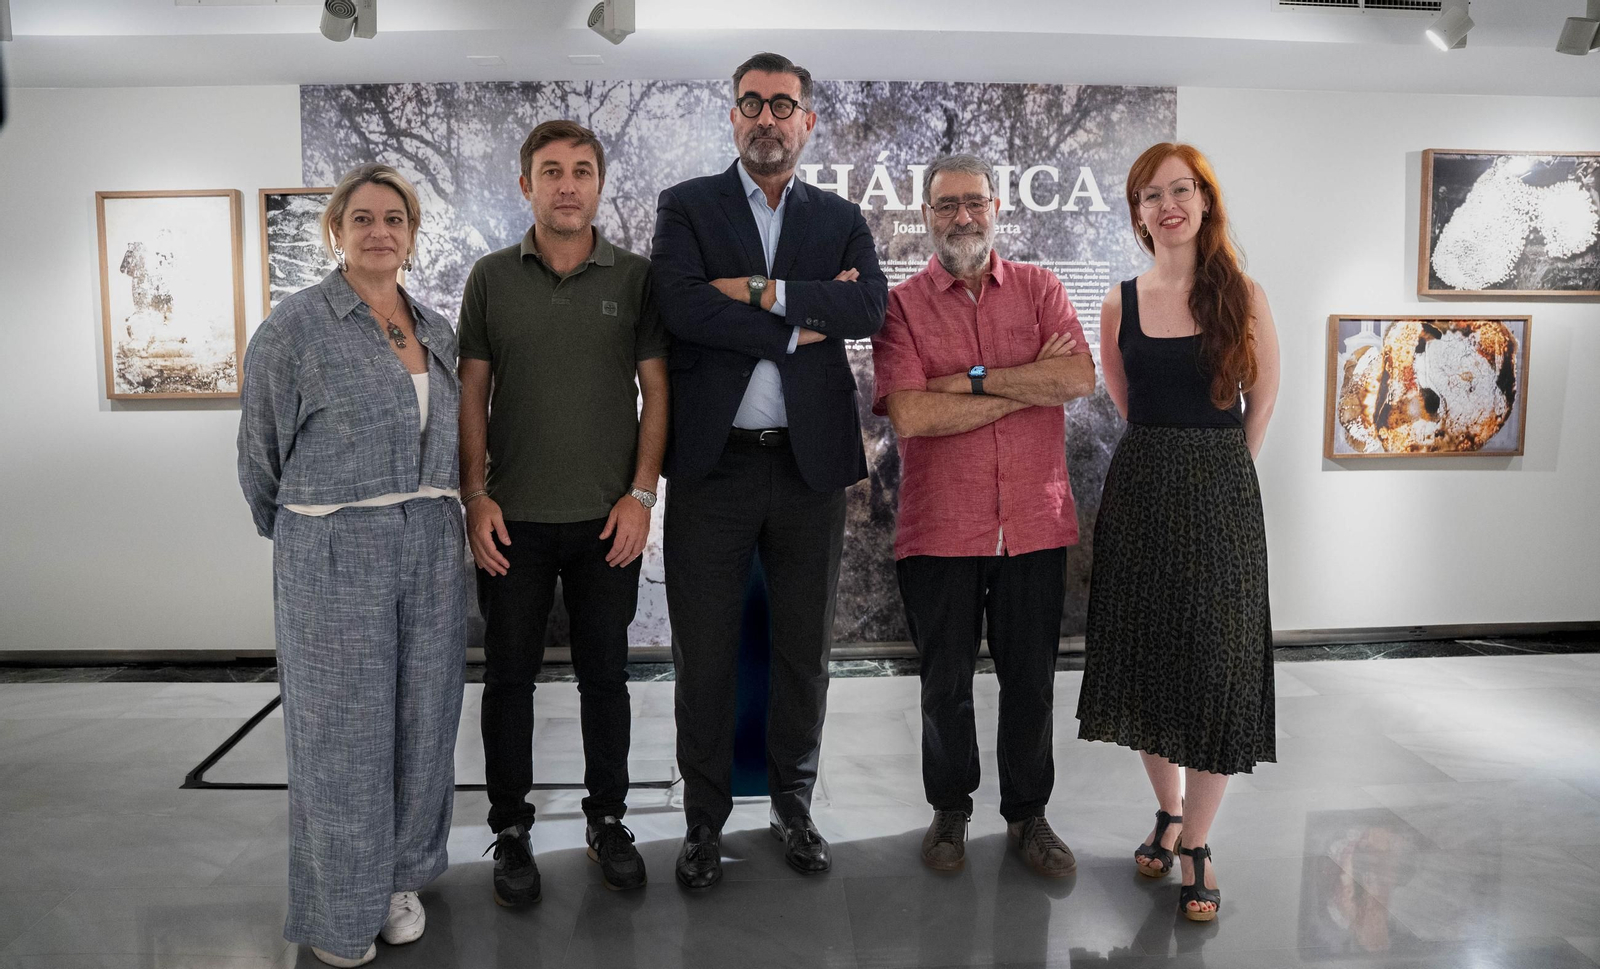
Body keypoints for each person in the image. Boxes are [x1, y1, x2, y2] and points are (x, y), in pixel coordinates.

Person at [649, 51, 888, 889]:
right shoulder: (687, 206)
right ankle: (703, 823)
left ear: (807, 120)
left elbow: (868, 306)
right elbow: (681, 305)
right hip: (712, 470)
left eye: (782, 104)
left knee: (802, 652)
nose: (766, 117)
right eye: (750, 103)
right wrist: (798, 320)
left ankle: (794, 803)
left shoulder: (840, 215)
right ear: (733, 117)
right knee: (705, 653)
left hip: (808, 469)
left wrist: (755, 292)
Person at [237, 164, 465, 968]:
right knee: (341, 733)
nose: (379, 232)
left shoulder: (436, 327)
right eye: (362, 218)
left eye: (394, 218)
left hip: (432, 539)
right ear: (335, 230)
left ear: (411, 233)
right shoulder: (294, 330)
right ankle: (340, 911)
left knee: (422, 720)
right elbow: (260, 460)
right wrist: (304, 536)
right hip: (334, 546)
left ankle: (399, 878)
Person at [459, 120, 668, 901]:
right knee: (508, 679)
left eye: (582, 170)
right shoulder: (490, 277)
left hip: (606, 522)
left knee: (604, 678)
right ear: (526, 186)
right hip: (510, 522)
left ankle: (607, 819)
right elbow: (472, 394)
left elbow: (658, 392)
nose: (568, 184)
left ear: (600, 184)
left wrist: (642, 495)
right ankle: (510, 830)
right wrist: (474, 495)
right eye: (551, 171)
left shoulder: (636, 278)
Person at [870, 154, 1097, 877]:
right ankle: (951, 809)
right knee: (945, 682)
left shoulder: (1040, 288)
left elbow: (1076, 377)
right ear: (927, 215)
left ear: (996, 206)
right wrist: (1027, 389)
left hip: (1033, 519)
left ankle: (1029, 816)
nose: (962, 216)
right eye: (945, 205)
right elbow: (910, 412)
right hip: (940, 527)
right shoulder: (901, 305)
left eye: (973, 201)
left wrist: (969, 383)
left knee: (1030, 680)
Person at [1075, 142, 1281, 922]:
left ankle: (1198, 842)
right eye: (1152, 194)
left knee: (1216, 670)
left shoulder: (1244, 294)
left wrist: (1222, 473)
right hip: (1141, 492)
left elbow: (1261, 400)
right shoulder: (1118, 301)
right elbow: (1127, 401)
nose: (1169, 204)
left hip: (1222, 494)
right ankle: (1167, 812)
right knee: (1145, 657)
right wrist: (1173, 466)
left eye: (1182, 190)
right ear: (1137, 212)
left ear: (1205, 202)